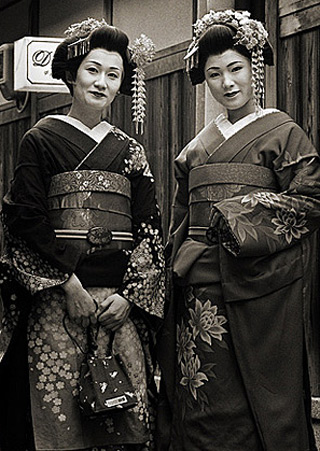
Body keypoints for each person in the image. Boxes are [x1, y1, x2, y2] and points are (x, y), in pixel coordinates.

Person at [156, 9, 320, 451]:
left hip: (259, 285)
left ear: (254, 69)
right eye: (214, 74)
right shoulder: (195, 150)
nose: (227, 83)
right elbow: (179, 221)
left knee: (260, 402)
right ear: (204, 80)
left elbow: (311, 198)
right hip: (200, 287)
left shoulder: (284, 132)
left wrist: (239, 213)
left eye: (236, 69)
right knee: (203, 392)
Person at [0, 18, 165, 451]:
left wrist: (130, 296)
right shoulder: (40, 139)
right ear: (71, 75)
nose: (102, 83)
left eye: (113, 74)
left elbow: (149, 228)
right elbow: (24, 217)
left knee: (127, 414)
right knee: (55, 414)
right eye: (93, 70)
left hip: (117, 302)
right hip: (58, 296)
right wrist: (67, 282)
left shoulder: (131, 150)